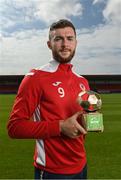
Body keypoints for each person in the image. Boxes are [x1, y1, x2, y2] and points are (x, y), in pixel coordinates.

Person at [7, 19, 90, 179]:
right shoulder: (35, 77)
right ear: (49, 44)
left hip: (81, 166)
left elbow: (79, 122)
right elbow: (14, 127)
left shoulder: (82, 81)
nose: (65, 44)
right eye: (58, 39)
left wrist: (89, 122)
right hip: (53, 172)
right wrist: (59, 127)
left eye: (69, 38)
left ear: (76, 43)